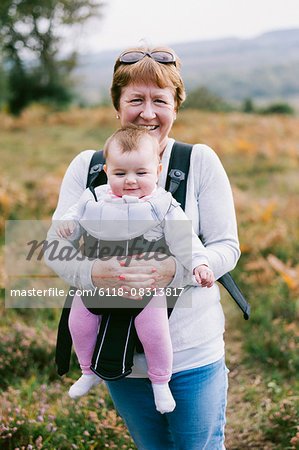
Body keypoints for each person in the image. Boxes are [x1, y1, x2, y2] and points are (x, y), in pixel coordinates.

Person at [45, 46, 240, 449]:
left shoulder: (199, 161)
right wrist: (91, 274)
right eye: (135, 99)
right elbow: (53, 246)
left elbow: (226, 246)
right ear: (117, 106)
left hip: (193, 355)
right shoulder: (89, 166)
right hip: (118, 354)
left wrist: (174, 270)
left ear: (176, 107)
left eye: (160, 100)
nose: (148, 112)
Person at [55, 126, 215, 414]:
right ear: (107, 171)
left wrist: (199, 264)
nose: (130, 181)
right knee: (78, 321)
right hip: (101, 278)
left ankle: (160, 382)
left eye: (141, 173)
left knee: (154, 330)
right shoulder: (95, 196)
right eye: (120, 174)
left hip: (146, 280)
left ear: (157, 170)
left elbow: (186, 239)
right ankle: (88, 371)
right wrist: (68, 225)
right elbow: (73, 216)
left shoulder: (163, 204)